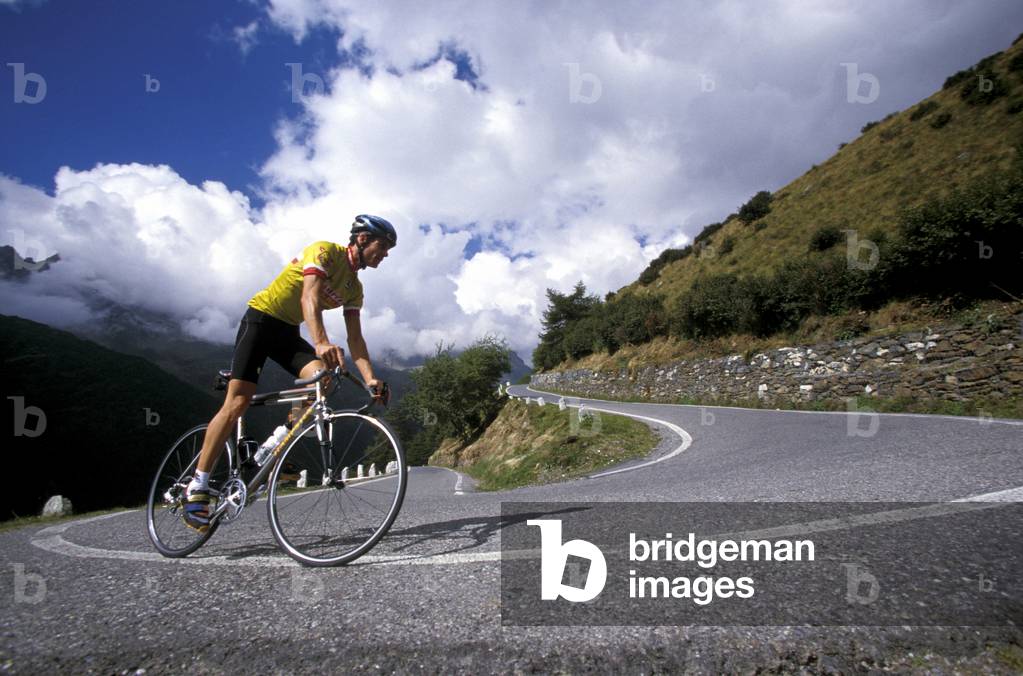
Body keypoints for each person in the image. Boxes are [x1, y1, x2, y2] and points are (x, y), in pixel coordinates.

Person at [182, 214, 396, 531]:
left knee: (321, 380)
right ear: (363, 239)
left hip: (286, 334)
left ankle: (269, 453)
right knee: (237, 402)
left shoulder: (355, 289)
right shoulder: (323, 251)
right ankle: (196, 487)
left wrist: (370, 379)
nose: (387, 254)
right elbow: (308, 295)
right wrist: (320, 341)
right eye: (384, 246)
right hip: (260, 321)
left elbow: (355, 339)